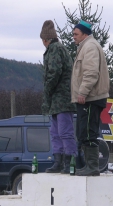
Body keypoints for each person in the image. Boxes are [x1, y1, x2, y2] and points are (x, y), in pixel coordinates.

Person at [71, 20, 110, 176]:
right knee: (84, 132)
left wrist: (82, 92)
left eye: (76, 34)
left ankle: (92, 167)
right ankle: (89, 165)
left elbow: (91, 73)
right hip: (89, 98)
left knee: (88, 132)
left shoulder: (90, 47)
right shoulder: (86, 47)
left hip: (90, 98)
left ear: (84, 34)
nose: (73, 37)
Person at [40, 20, 77, 174]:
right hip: (57, 100)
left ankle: (68, 163)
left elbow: (54, 72)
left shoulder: (55, 49)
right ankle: (60, 162)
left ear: (45, 39)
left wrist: (47, 90)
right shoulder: (57, 48)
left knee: (64, 132)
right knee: (55, 132)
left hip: (62, 98)